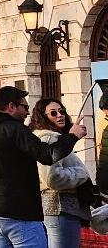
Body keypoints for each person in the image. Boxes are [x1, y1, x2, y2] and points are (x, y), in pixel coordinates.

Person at [0, 86, 84, 248]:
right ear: (11, 107)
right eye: (25, 107)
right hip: (18, 212)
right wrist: (73, 136)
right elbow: (47, 155)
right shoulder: (14, 129)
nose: (27, 112)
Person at [28, 98, 91, 248]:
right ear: (42, 116)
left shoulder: (48, 137)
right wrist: (81, 174)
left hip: (57, 209)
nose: (59, 115)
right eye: (53, 113)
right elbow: (52, 177)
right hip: (60, 207)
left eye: (61, 111)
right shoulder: (49, 138)